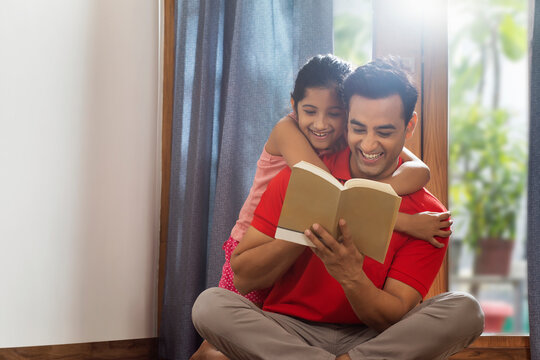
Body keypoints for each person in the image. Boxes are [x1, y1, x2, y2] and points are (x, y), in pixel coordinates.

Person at [192, 57, 484, 360]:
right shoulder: (303, 174)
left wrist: (351, 276)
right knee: (209, 305)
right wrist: (307, 231)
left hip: (372, 337)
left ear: (409, 125)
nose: (369, 144)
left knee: (466, 310)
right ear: (348, 123)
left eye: (384, 132)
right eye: (359, 128)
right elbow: (243, 279)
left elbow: (391, 317)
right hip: (289, 330)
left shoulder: (429, 217)